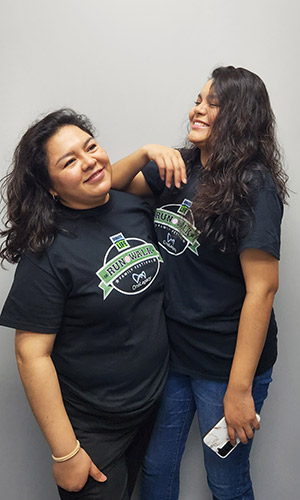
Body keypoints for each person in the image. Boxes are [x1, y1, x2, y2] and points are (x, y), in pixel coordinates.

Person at [111, 66, 288, 500]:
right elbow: (106, 190)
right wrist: (143, 153)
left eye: (213, 103)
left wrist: (239, 390)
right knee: (155, 468)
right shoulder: (180, 165)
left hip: (227, 365)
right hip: (175, 355)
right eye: (197, 100)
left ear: (240, 116)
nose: (197, 109)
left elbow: (262, 290)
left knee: (225, 481)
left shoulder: (255, 186)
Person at [0, 109, 170, 500]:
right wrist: (66, 452)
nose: (90, 161)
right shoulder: (47, 252)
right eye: (69, 161)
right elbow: (31, 354)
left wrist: (145, 153)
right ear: (51, 188)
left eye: (90, 147)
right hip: (94, 429)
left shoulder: (132, 206)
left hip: (152, 408)